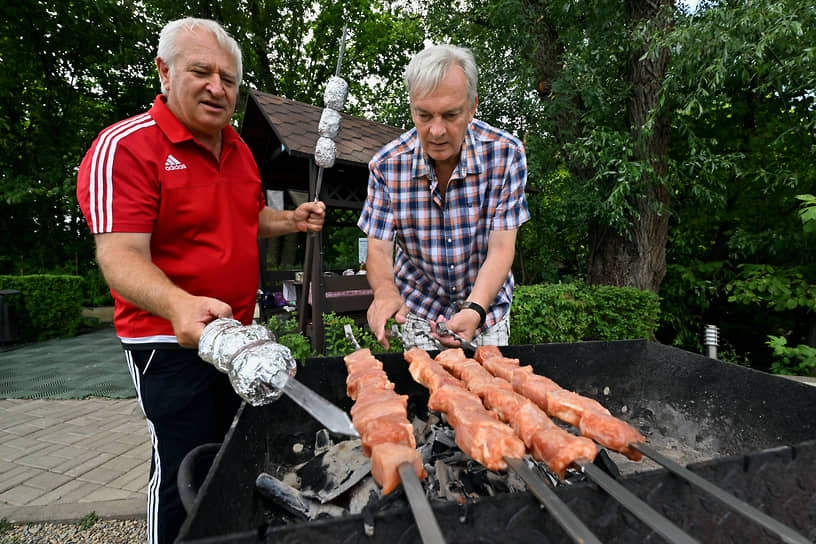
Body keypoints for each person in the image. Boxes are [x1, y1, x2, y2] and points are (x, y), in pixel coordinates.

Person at [75, 17, 325, 544]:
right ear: (165, 72)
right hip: (166, 339)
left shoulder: (238, 150)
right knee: (184, 460)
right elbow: (119, 255)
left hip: (238, 334)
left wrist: (291, 220)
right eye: (202, 72)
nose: (217, 87)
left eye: (229, 78)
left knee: (238, 451)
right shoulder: (126, 148)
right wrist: (178, 304)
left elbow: (245, 217)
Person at [358, 44, 529, 351]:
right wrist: (385, 291)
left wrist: (475, 309)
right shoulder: (385, 165)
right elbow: (379, 249)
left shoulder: (506, 154)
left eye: (450, 115)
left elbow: (502, 248)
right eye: (423, 115)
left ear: (472, 106)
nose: (436, 131)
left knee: (491, 396)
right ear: (411, 107)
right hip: (419, 314)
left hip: (486, 313)